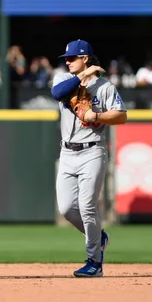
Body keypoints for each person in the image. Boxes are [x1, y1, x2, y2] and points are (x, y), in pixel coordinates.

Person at [51, 39, 127, 277]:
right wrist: (83, 76)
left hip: (92, 150)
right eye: (66, 59)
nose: (68, 62)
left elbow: (121, 116)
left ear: (85, 58)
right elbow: (58, 94)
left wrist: (96, 114)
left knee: (87, 206)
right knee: (66, 208)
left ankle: (94, 261)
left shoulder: (104, 87)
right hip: (67, 152)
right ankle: (99, 236)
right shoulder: (64, 80)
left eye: (72, 58)